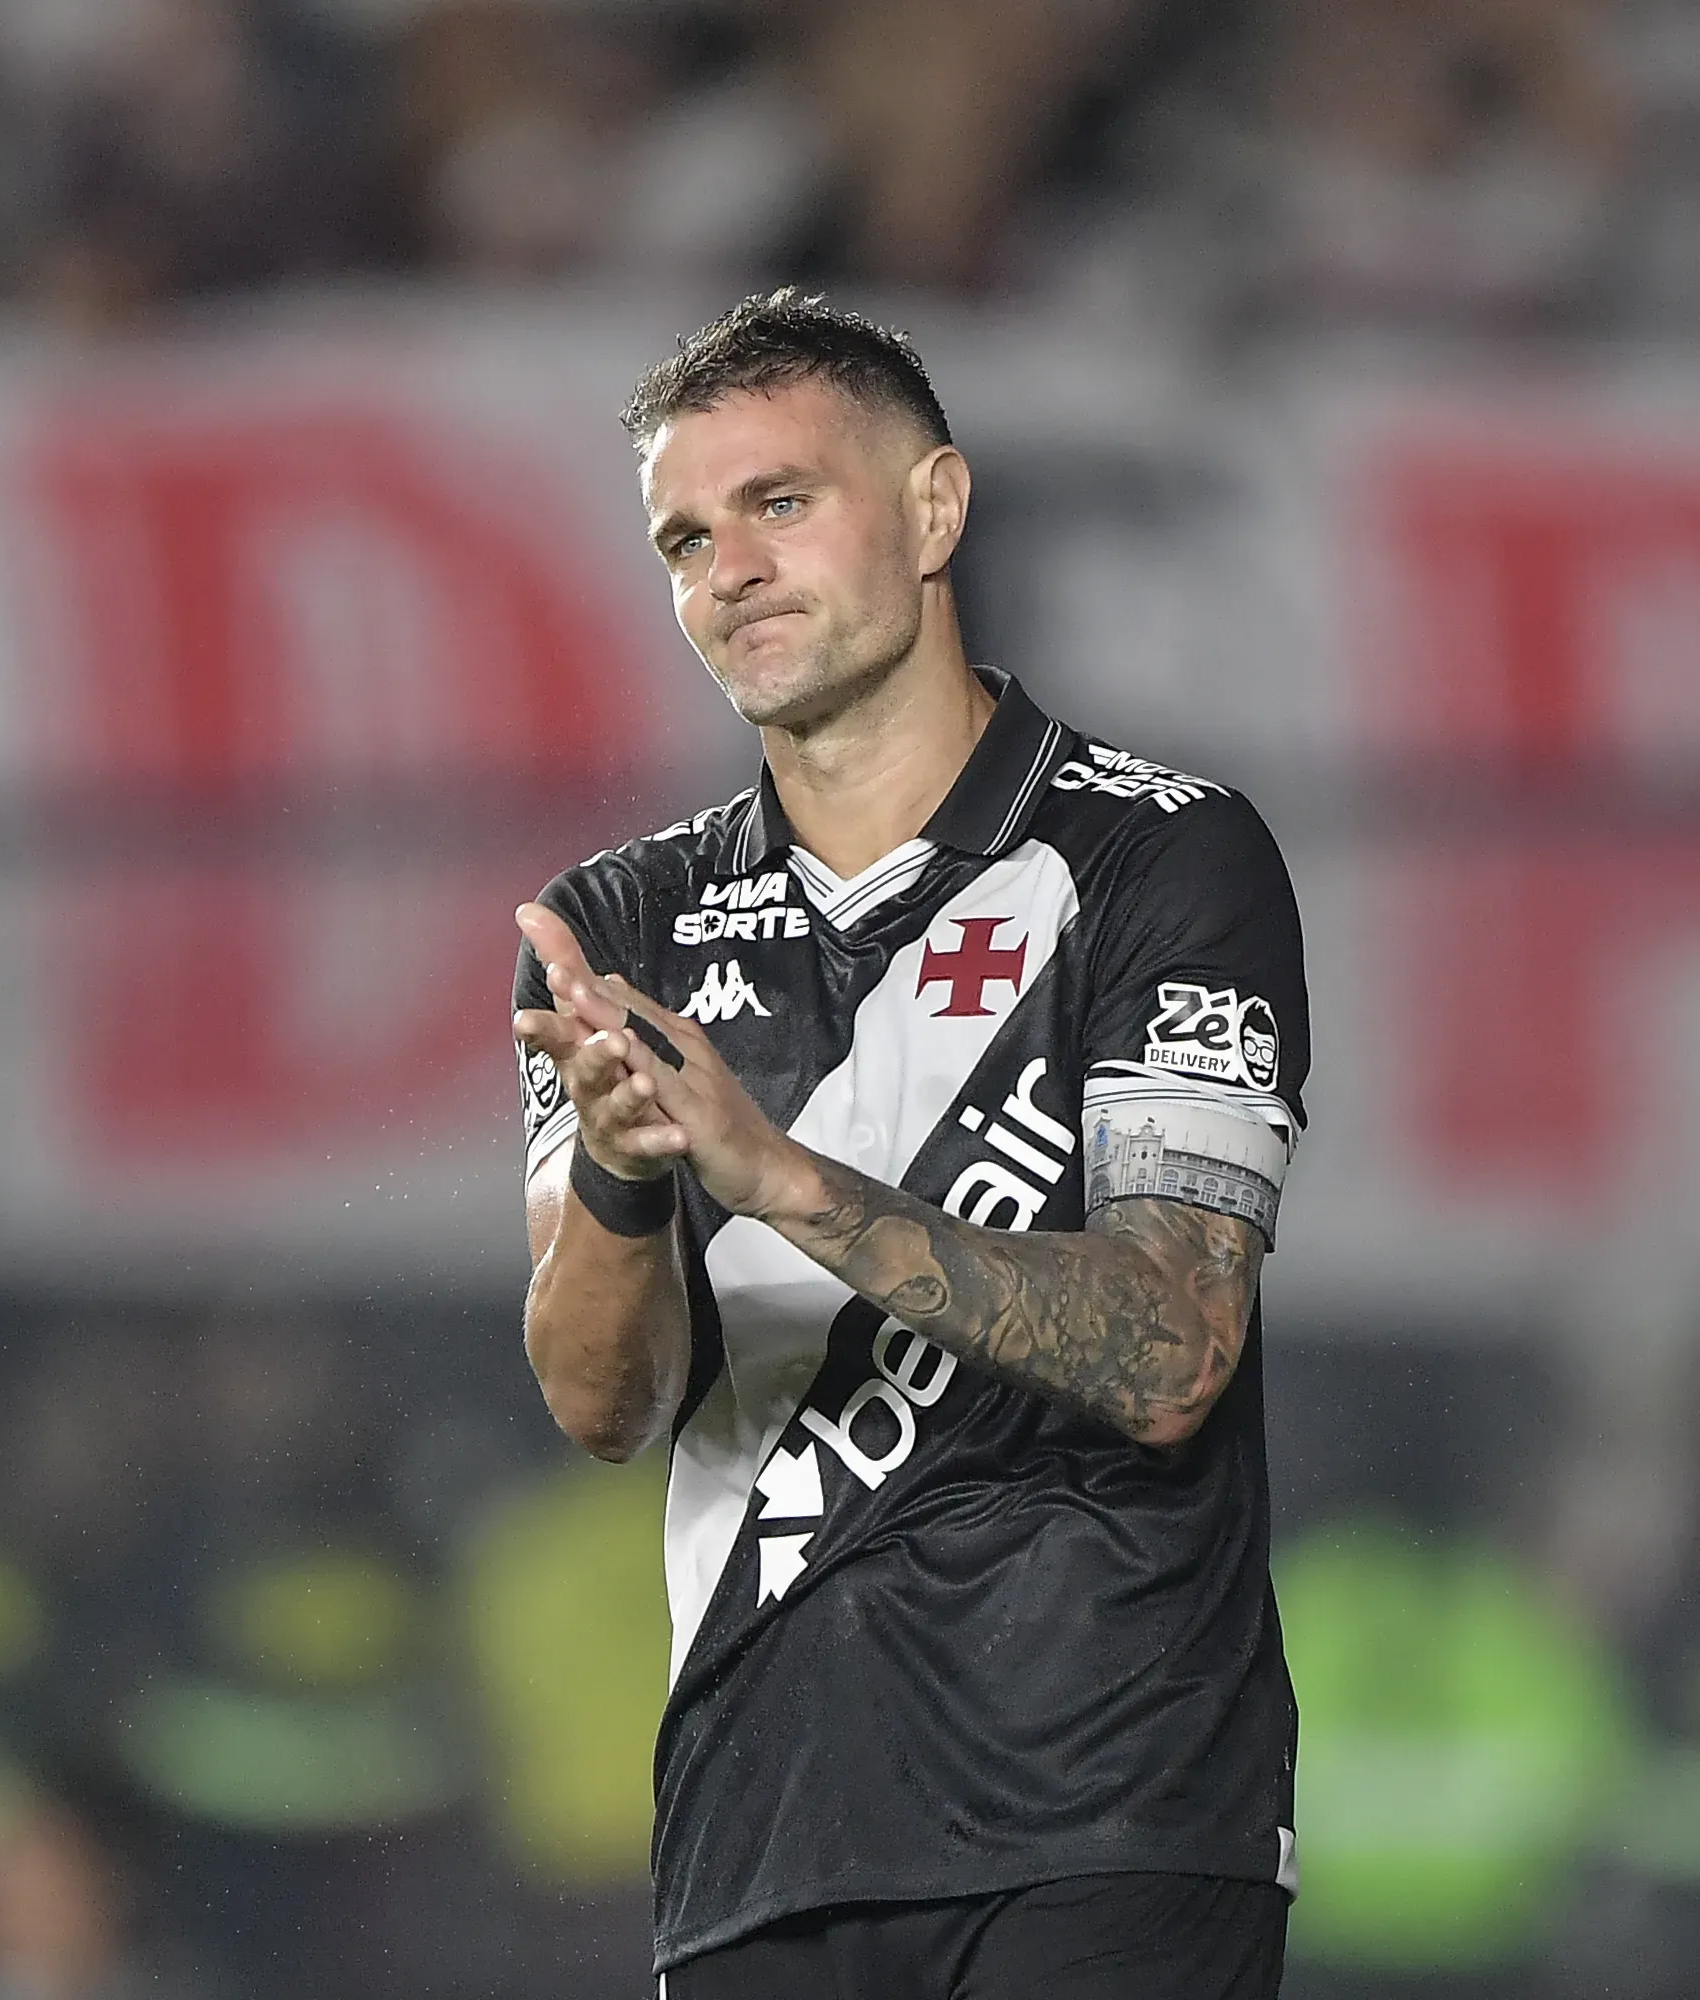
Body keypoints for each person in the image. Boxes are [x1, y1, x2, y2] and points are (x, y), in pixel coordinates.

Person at [510, 289, 1310, 2000]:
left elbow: (1172, 1346)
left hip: (1112, 1810)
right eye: (684, 535)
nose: (728, 566)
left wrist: (778, 1179)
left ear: (936, 509)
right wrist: (623, 1173)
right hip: (761, 1830)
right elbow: (603, 1406)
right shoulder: (614, 927)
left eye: (781, 503)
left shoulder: (1163, 861)